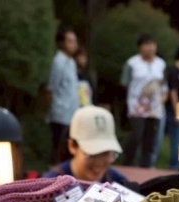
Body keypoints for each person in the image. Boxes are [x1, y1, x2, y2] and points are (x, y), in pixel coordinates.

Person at [43, 106, 128, 184]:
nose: (99, 162)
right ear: (72, 146)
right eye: (92, 153)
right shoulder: (49, 187)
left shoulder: (119, 182)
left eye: (105, 153)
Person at [121, 33, 167, 169]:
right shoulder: (132, 63)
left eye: (152, 44)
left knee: (150, 140)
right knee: (136, 136)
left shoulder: (161, 64)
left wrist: (162, 99)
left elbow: (164, 85)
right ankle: (127, 163)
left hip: (155, 108)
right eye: (146, 45)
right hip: (137, 107)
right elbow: (124, 84)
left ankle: (146, 168)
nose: (150, 48)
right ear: (140, 47)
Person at [47, 26, 81, 163]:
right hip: (60, 112)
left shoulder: (71, 62)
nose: (74, 45)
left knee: (69, 148)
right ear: (61, 43)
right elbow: (51, 87)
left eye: (75, 41)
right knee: (59, 147)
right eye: (70, 41)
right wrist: (49, 111)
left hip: (72, 112)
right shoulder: (58, 62)